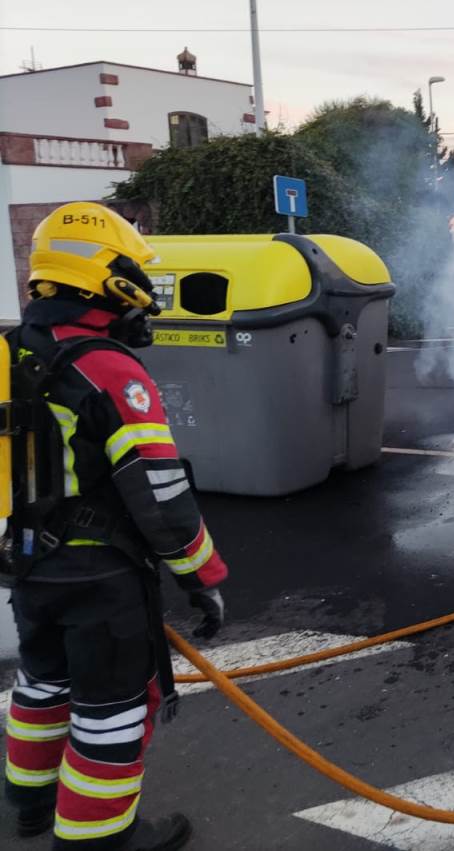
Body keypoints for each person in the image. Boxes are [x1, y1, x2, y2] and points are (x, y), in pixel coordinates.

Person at [3, 202, 228, 850]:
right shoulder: (109, 367)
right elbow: (160, 494)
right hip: (100, 579)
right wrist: (203, 578)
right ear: (108, 278)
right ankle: (97, 839)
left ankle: (28, 805)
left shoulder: (7, 350)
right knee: (111, 714)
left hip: (28, 564)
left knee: (42, 687)